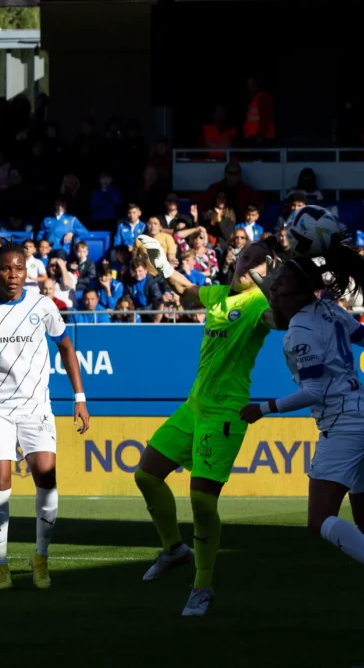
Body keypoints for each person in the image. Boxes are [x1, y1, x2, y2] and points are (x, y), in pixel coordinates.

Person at [239, 237, 364, 619]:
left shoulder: (299, 334)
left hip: (343, 423)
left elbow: (317, 389)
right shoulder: (328, 309)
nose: (272, 291)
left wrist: (263, 408)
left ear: (297, 293)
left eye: (278, 287)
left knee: (318, 518)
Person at [134, 233, 278, 616]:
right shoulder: (217, 295)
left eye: (254, 261)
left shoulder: (258, 303)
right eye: (242, 257)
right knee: (146, 475)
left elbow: (278, 319)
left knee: (201, 500)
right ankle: (173, 549)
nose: (244, 264)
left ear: (267, 272)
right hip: (194, 405)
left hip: (225, 413)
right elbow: (185, 290)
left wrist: (269, 285)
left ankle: (202, 586)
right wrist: (162, 262)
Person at [0, 242, 91, 591]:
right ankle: (1, 565)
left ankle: (41, 557)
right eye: (5, 268)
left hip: (36, 408)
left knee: (46, 478)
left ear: (27, 270)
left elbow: (66, 347)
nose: (12, 275)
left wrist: (80, 397)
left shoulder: (42, 304)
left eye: (19, 268)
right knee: (1, 482)